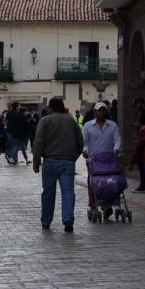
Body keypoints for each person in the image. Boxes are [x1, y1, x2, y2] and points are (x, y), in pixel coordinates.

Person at [32, 96, 84, 232]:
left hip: (50, 161)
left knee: (48, 193)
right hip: (68, 162)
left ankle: (46, 221)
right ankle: (68, 220)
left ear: (51, 107)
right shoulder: (71, 120)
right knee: (68, 192)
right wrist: (73, 157)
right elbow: (81, 142)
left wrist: (36, 162)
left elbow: (38, 142)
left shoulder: (45, 120)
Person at [131, 97, 145, 191]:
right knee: (140, 163)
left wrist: (138, 125)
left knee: (141, 162)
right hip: (140, 140)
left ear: (140, 103)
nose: (136, 107)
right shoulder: (141, 112)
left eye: (137, 105)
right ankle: (144, 184)